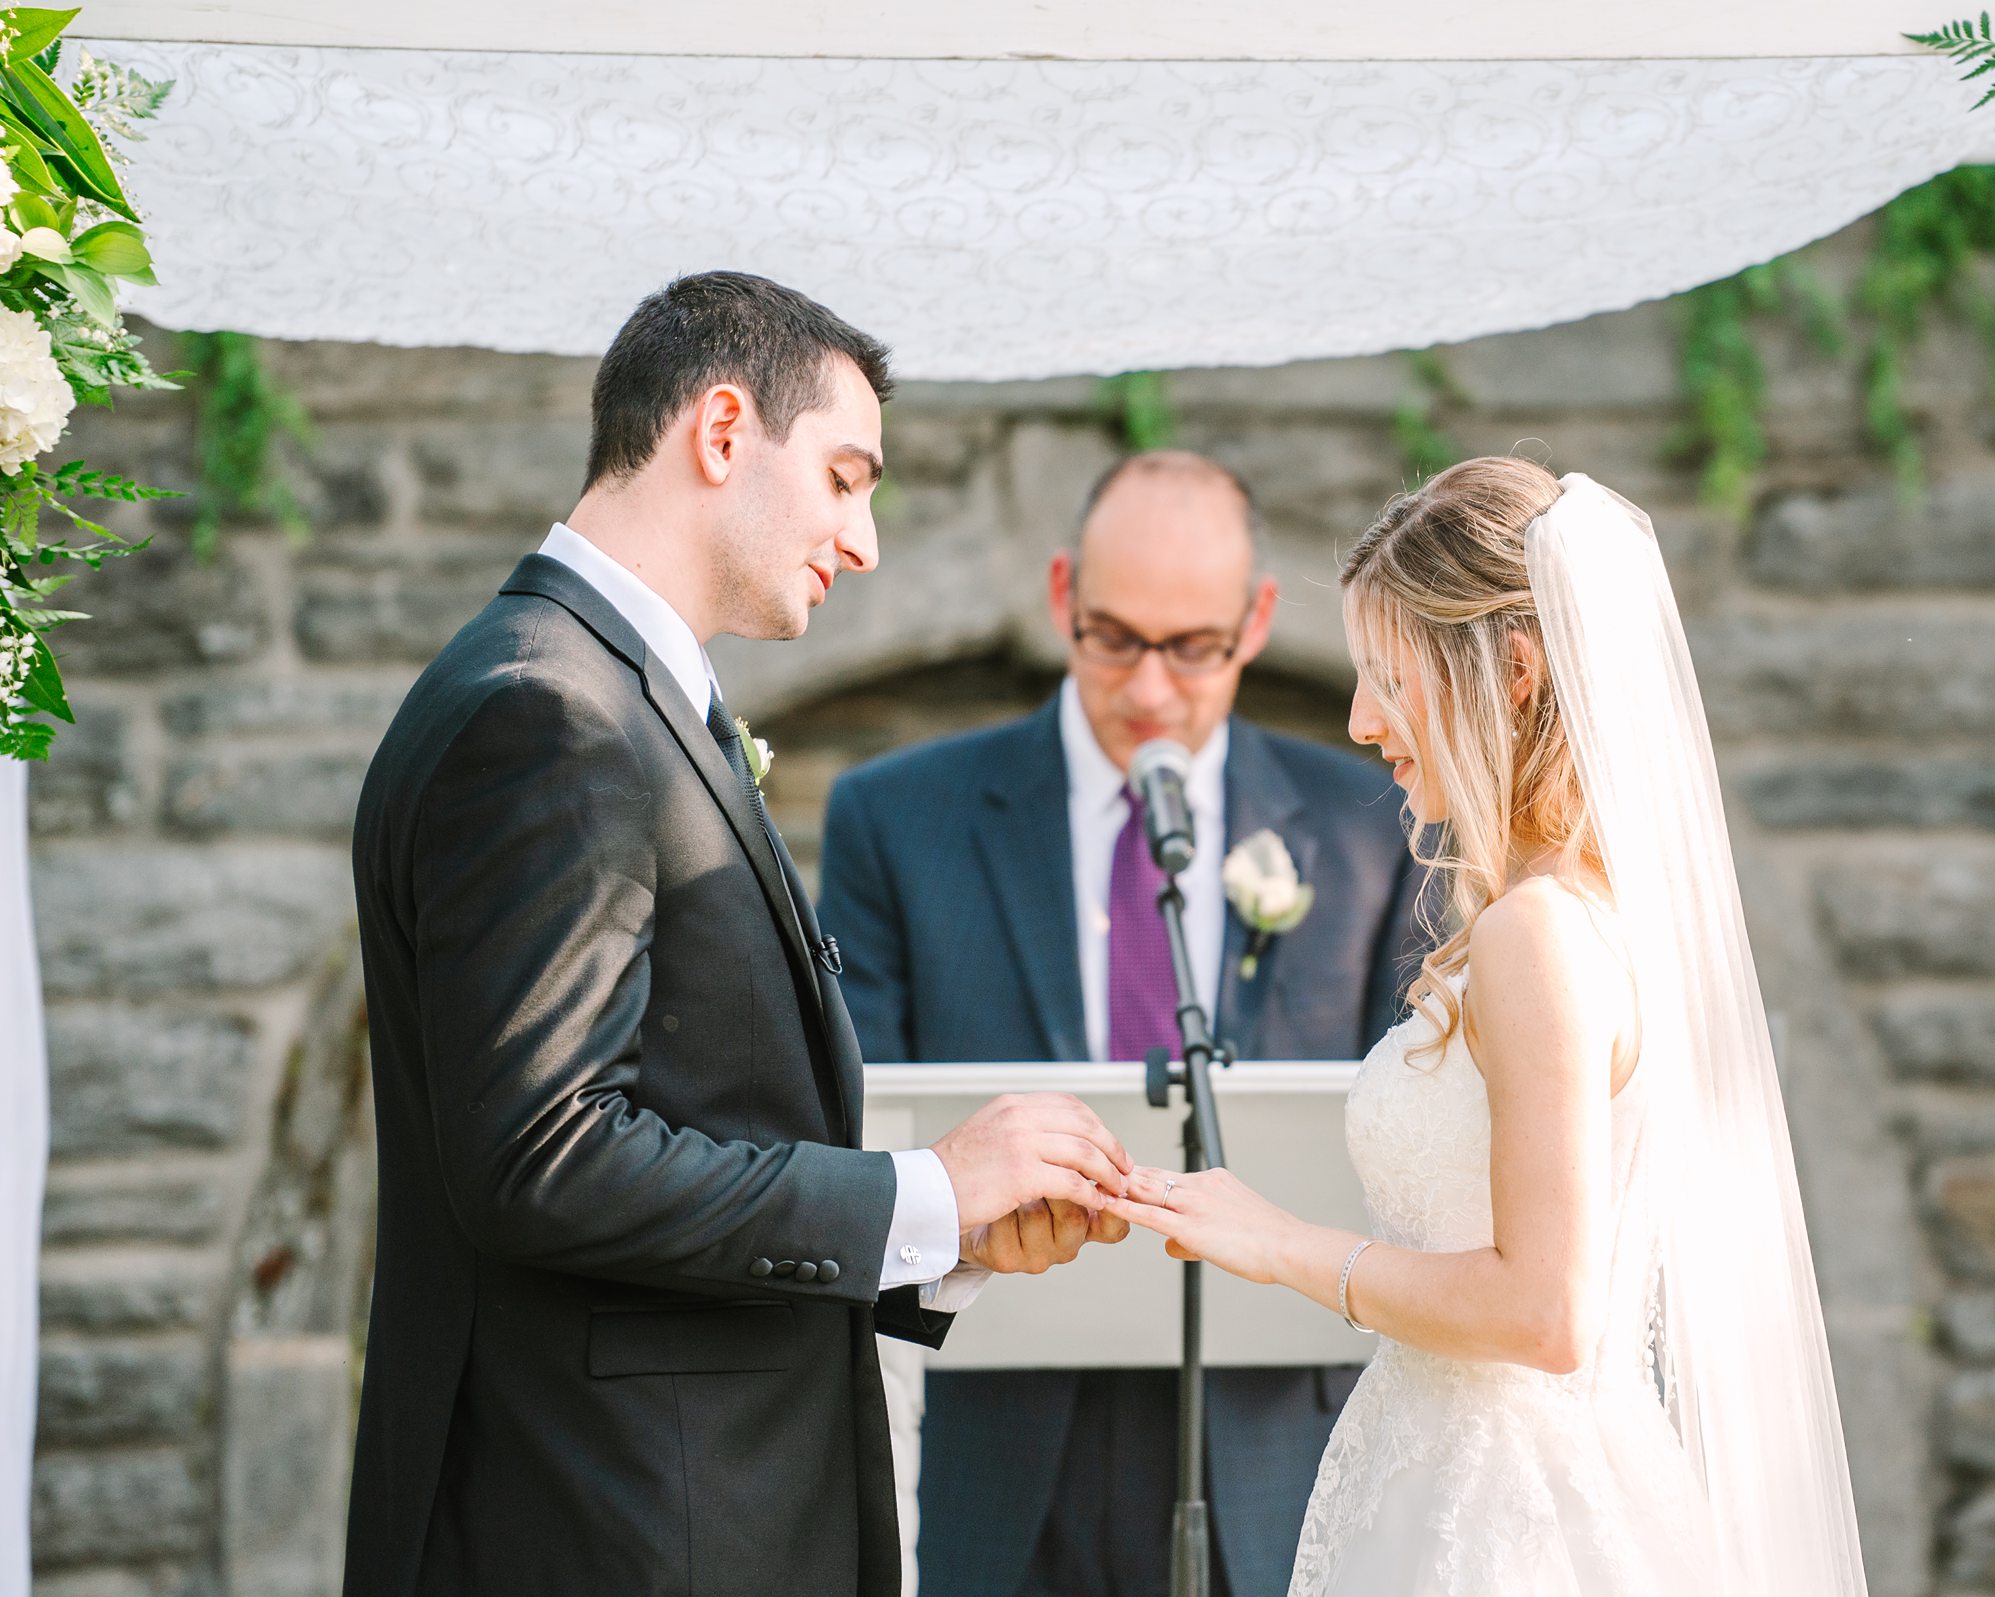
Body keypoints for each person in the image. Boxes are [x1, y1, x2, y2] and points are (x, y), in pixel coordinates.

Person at [343, 272, 1133, 1597]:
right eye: (844, 476)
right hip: (618, 1529)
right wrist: (919, 1191)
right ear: (721, 431)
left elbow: (687, 1113)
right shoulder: (551, 714)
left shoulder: (609, 693)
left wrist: (939, 1245)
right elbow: (546, 1156)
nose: (866, 536)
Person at [1105, 458, 1872, 1596]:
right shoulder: (1595, 914)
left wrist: (1279, 1245)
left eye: (1391, 678)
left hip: (1504, 1525)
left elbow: (1547, 1308)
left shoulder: (1538, 935)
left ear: (1511, 668)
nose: (1363, 721)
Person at [819, 450, 1426, 1597]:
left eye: (1191, 647)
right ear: (1061, 599)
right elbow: (857, 1141)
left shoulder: (1366, 827)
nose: (1150, 688)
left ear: (1254, 622)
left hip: (1274, 1433)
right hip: (1000, 1423)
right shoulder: (897, 820)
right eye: (1113, 638)